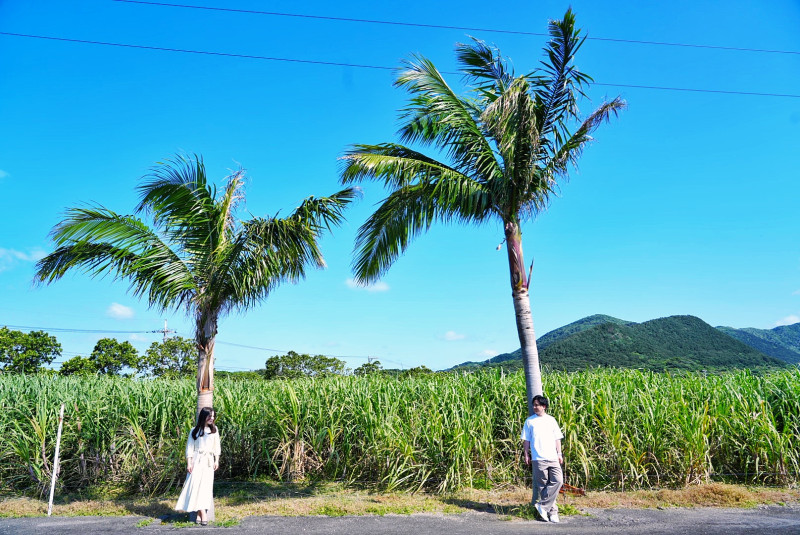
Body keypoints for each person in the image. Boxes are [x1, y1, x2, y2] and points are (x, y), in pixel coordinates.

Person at [521, 394, 564, 523]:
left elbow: (557, 438)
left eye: (537, 405)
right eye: (533, 405)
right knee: (543, 486)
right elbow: (526, 440)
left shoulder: (551, 420)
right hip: (538, 458)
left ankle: (542, 506)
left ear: (544, 406)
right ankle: (553, 513)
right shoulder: (529, 421)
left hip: (552, 457)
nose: (534, 407)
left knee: (558, 481)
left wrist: (559, 453)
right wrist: (526, 454)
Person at [175, 407, 221, 526]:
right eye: (209, 416)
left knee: (205, 488)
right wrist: (189, 463)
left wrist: (217, 460)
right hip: (197, 461)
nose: (212, 418)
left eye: (213, 416)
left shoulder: (214, 430)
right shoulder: (194, 431)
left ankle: (201, 514)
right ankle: (202, 513)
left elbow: (217, 447)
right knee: (195, 487)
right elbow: (189, 448)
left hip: (208, 462)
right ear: (203, 416)